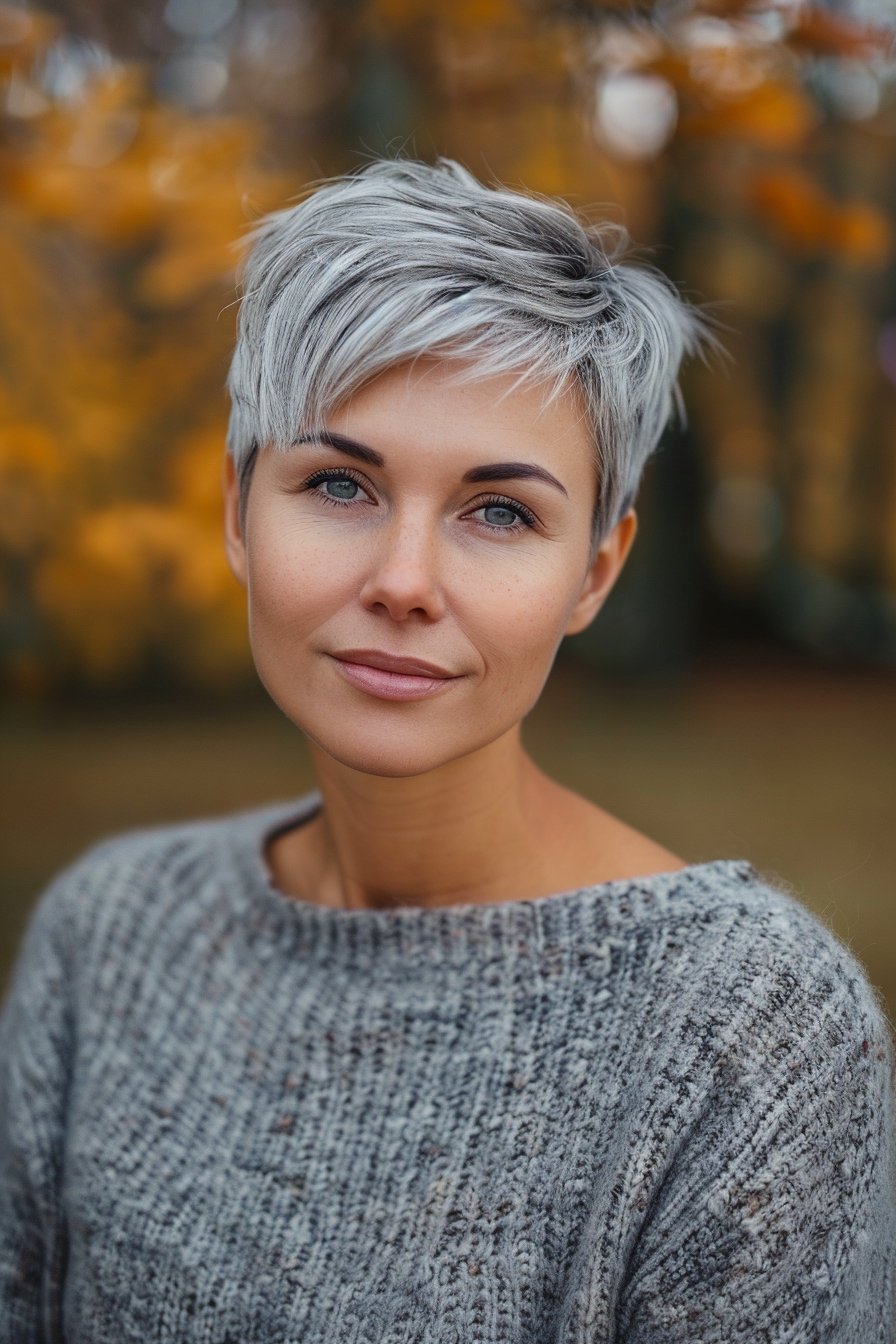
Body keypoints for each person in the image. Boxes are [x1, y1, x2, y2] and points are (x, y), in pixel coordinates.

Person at [0, 159, 891, 1343]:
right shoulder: (106, 934)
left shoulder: (744, 1028)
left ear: (594, 571)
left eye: (499, 511)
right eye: (337, 484)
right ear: (234, 512)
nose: (404, 583)